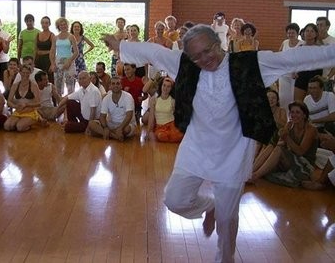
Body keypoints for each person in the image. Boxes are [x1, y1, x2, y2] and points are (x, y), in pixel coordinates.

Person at [102, 24, 335, 262]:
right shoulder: (185, 64)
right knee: (175, 200)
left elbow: (295, 58)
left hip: (232, 152)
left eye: (208, 51)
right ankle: (208, 206)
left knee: (226, 220)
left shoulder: (249, 64)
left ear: (219, 43)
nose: (204, 59)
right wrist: (120, 46)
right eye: (196, 56)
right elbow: (154, 52)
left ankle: (225, 258)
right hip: (196, 147)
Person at [253, 102, 318, 187]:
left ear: (304, 115)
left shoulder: (311, 129)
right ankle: (250, 170)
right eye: (292, 112)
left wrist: (286, 137)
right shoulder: (290, 125)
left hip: (304, 163)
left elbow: (300, 152)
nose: (294, 115)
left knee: (278, 149)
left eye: (297, 112)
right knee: (271, 146)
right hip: (291, 160)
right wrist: (282, 135)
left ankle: (255, 175)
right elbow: (281, 143)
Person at [88, 77, 136, 141]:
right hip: (111, 124)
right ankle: (115, 136)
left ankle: (107, 134)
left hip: (126, 124)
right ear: (110, 86)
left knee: (126, 129)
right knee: (91, 123)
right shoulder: (106, 98)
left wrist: (120, 128)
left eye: (118, 83)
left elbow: (129, 116)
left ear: (121, 86)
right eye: (113, 84)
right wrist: (105, 127)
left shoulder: (128, 96)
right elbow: (102, 116)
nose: (115, 85)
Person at [4, 64, 41, 132]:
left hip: (30, 112)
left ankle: (34, 120)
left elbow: (39, 103)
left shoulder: (33, 85)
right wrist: (15, 106)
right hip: (18, 111)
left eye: (27, 73)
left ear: (30, 73)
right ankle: (20, 122)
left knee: (20, 127)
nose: (25, 74)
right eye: (23, 72)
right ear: (20, 73)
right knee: (7, 126)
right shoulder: (15, 85)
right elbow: (9, 101)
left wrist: (27, 105)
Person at [146, 77, 183, 142]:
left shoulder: (173, 100)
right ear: (161, 86)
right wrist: (149, 131)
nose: (165, 88)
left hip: (171, 126)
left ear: (171, 89)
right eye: (164, 85)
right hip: (160, 127)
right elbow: (151, 117)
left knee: (180, 135)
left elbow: (177, 116)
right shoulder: (154, 100)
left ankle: (171, 136)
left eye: (168, 86)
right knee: (161, 135)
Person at [49, 17, 79, 96]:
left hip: (69, 60)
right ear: (58, 26)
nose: (63, 26)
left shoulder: (71, 36)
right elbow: (52, 51)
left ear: (67, 25)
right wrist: (52, 64)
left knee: (70, 84)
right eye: (61, 25)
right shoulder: (55, 37)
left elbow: (76, 52)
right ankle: (59, 104)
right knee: (58, 84)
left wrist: (69, 61)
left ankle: (70, 103)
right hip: (58, 61)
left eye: (64, 24)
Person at [294, 23, 323, 102]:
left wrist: (326, 77)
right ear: (304, 33)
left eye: (312, 31)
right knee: (298, 103)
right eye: (307, 31)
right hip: (301, 77)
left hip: (315, 77)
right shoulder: (300, 48)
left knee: (312, 104)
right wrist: (294, 72)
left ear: (316, 34)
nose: (309, 33)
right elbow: (295, 62)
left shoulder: (320, 48)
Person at [278, 23, 303, 113]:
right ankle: (284, 118)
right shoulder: (284, 42)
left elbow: (303, 60)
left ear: (297, 33)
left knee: (294, 98)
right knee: (283, 97)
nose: (290, 35)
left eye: (292, 33)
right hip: (284, 75)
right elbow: (279, 55)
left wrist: (296, 71)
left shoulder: (302, 44)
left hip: (296, 75)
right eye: (288, 33)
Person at [35, 16, 55, 83]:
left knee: (48, 80)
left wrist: (52, 64)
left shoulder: (52, 35)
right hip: (38, 60)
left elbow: (53, 50)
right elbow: (35, 50)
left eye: (46, 23)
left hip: (48, 61)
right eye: (43, 23)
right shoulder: (38, 35)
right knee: (38, 80)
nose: (44, 24)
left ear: (49, 24)